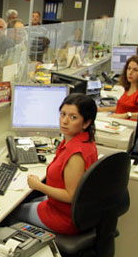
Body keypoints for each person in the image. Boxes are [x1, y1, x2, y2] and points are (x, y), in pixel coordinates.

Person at [10, 94, 99, 235]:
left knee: (12, 213)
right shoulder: (80, 140)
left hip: (64, 217)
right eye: (62, 114)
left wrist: (39, 186)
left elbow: (71, 196)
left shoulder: (76, 154)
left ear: (86, 123)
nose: (64, 121)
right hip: (69, 209)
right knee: (25, 202)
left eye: (73, 117)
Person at [99, 55, 138, 120]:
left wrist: (126, 115)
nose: (130, 72)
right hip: (119, 122)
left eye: (135, 70)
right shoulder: (129, 87)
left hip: (130, 125)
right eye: (129, 68)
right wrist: (100, 109)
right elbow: (121, 107)